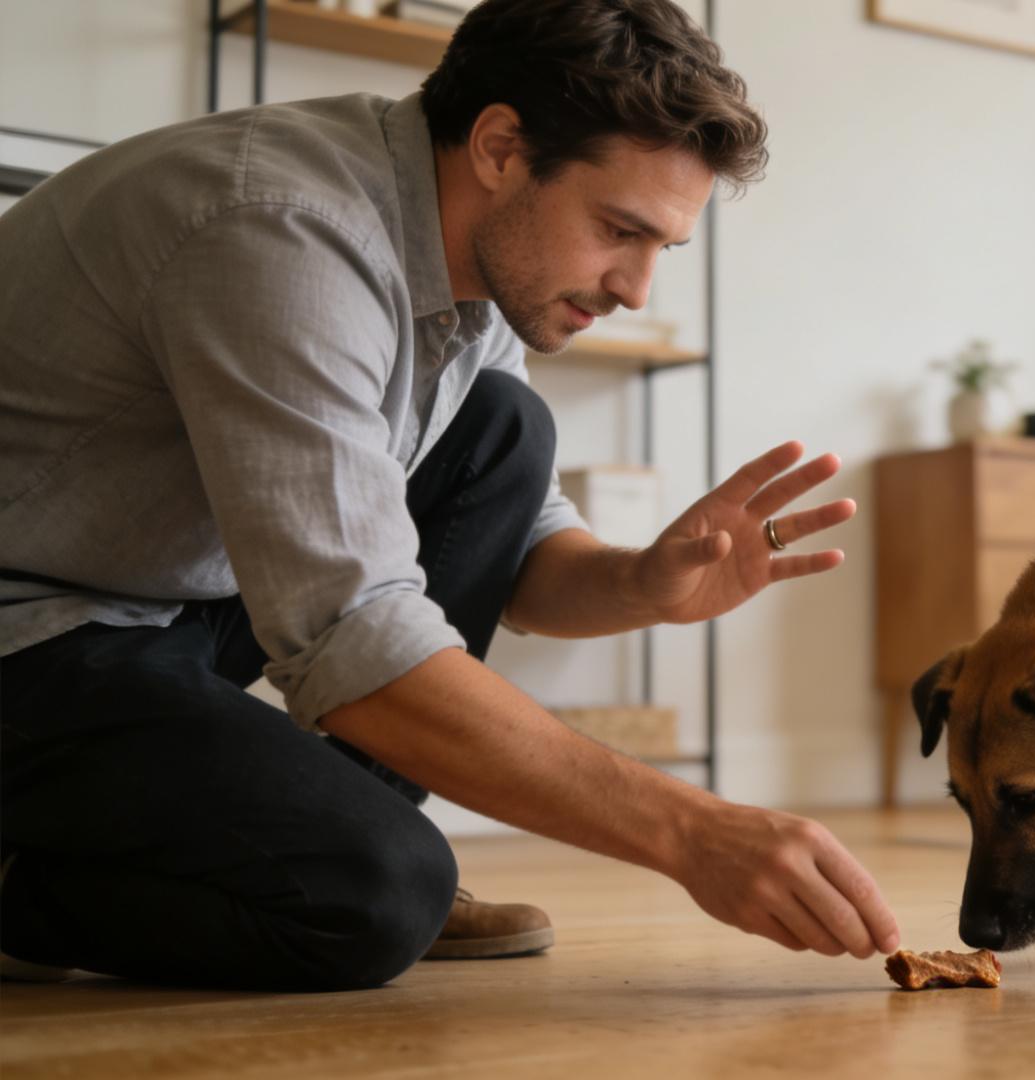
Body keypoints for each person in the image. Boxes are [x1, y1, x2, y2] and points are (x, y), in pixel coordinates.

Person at [0, 0, 900, 992]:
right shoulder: (282, 234)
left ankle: (337, 830)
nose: (638, 289)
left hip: (156, 598)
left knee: (504, 433)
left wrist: (640, 583)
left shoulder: (467, 254)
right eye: (618, 230)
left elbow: (517, 548)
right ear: (501, 146)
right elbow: (351, 631)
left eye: (662, 250)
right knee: (372, 895)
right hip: (30, 626)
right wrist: (690, 828)